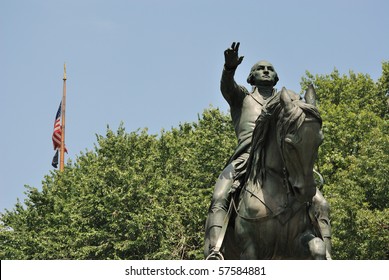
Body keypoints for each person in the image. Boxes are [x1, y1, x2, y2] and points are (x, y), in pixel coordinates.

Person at [205, 42, 332, 259]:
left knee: (320, 202)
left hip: (282, 159)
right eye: (260, 69)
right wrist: (229, 68)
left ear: (276, 77)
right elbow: (226, 87)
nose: (265, 71)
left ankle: (327, 255)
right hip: (245, 159)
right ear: (251, 77)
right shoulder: (242, 98)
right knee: (220, 196)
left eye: (270, 69)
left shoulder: (287, 100)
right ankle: (215, 250)